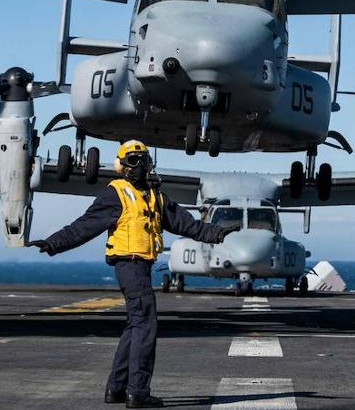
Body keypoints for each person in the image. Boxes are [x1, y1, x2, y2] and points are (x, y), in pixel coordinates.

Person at [30, 140, 236, 408]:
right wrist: (54, 242)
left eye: (143, 161)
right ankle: (138, 392)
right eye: (133, 161)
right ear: (122, 166)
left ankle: (116, 389)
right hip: (128, 265)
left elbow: (185, 224)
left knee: (135, 324)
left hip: (142, 266)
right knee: (146, 324)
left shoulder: (154, 196)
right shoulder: (115, 194)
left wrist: (217, 233)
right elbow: (84, 226)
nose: (139, 166)